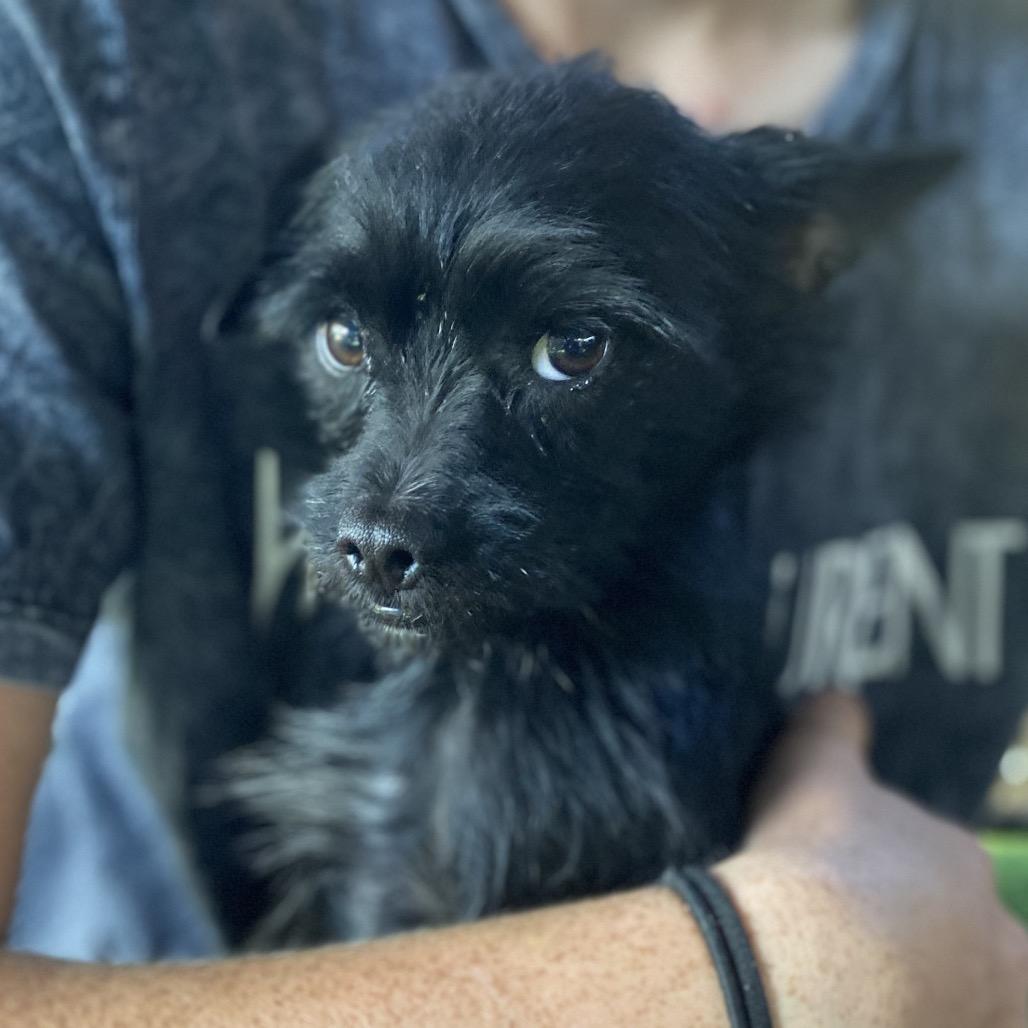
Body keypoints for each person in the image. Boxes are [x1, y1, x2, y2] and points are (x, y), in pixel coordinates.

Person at [1, 0, 1026, 1022]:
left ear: (802, 261)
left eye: (568, 352)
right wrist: (769, 963)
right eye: (350, 346)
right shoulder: (86, 47)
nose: (388, 514)